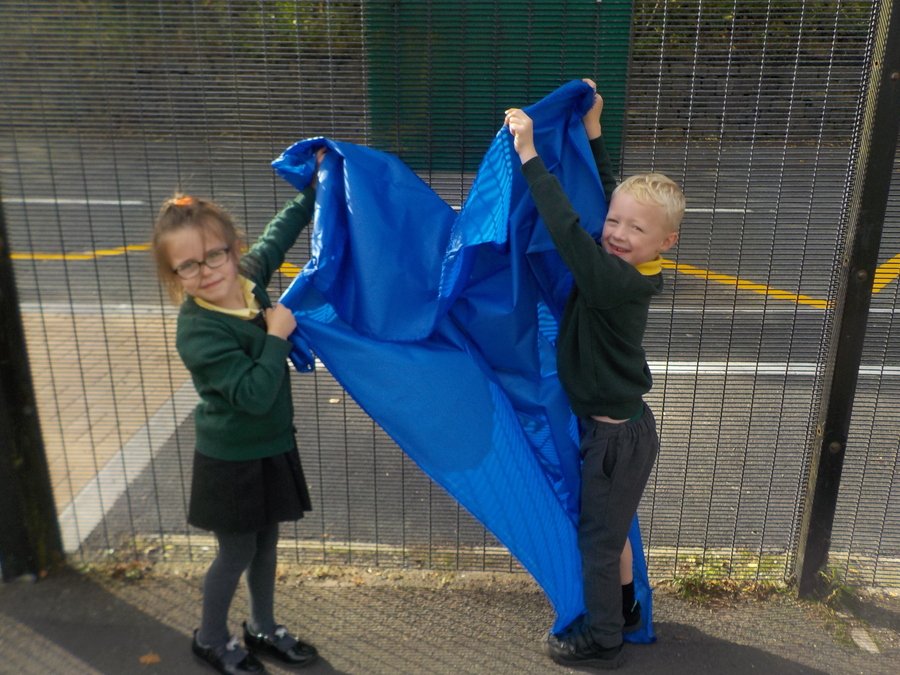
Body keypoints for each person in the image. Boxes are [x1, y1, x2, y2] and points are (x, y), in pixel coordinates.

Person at [505, 80, 684, 670]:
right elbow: (614, 197)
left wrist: (530, 152)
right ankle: (627, 608)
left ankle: (605, 636)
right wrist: (594, 133)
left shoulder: (612, 280)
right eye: (615, 222)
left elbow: (565, 228)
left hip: (614, 440)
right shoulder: (633, 259)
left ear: (664, 243)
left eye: (635, 230)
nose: (616, 232)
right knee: (615, 528)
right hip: (618, 430)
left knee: (600, 543)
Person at [151, 150, 325, 675]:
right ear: (175, 273)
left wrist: (316, 190)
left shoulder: (247, 279)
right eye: (188, 265)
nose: (206, 272)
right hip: (231, 459)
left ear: (232, 250)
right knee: (235, 552)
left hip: (271, 445)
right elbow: (251, 393)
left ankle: (262, 627)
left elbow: (278, 234)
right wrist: (276, 337)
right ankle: (210, 637)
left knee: (266, 543)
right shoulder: (198, 330)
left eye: (215, 256)